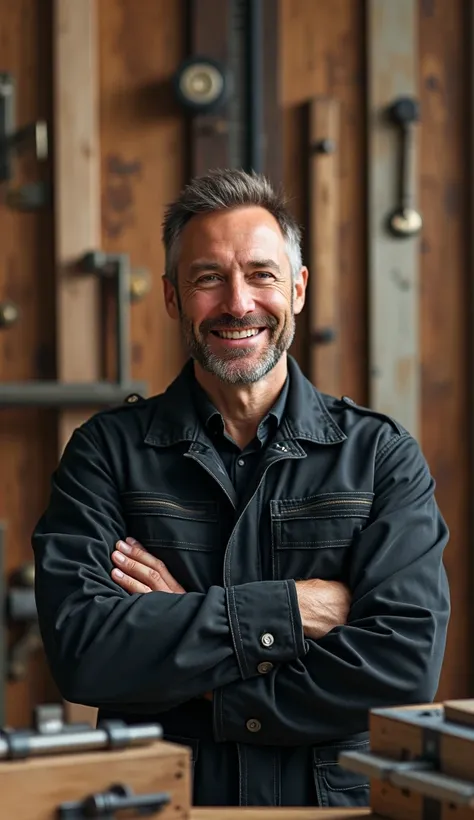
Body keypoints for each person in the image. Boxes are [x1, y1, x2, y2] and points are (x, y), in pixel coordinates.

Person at [32, 168, 450, 808]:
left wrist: (194, 661)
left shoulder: (379, 457)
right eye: (208, 278)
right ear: (172, 297)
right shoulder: (106, 455)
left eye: (261, 274)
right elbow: (85, 652)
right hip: (163, 805)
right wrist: (295, 609)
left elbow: (403, 672)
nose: (237, 302)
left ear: (299, 290)